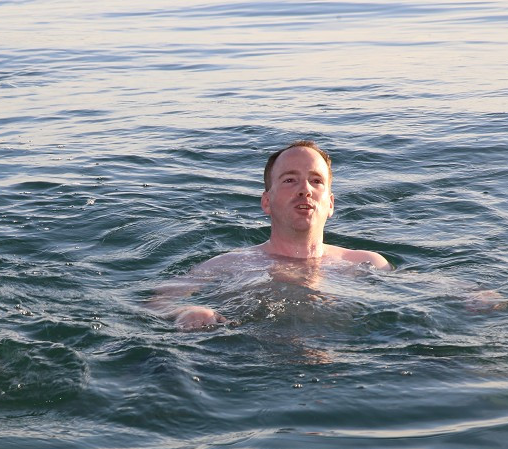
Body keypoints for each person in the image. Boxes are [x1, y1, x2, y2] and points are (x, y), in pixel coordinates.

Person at [152, 140, 393, 331]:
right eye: (290, 180)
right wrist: (187, 312)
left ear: (330, 204)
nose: (305, 190)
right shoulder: (226, 266)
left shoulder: (368, 263)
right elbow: (155, 305)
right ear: (267, 202)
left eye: (316, 181)